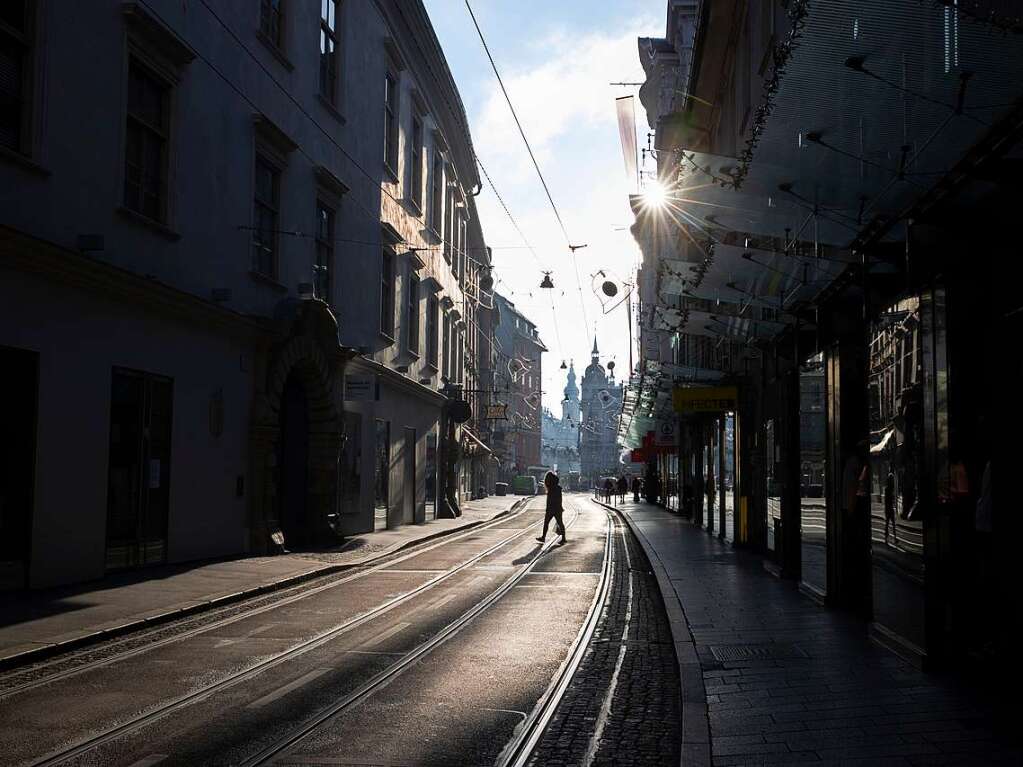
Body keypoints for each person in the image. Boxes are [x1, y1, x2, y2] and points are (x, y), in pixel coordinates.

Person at [537, 471, 567, 545]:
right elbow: (559, 500)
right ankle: (563, 538)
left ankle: (543, 537)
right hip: (557, 509)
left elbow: (550, 501)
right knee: (560, 523)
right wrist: (560, 508)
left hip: (551, 509)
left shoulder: (551, 489)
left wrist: (548, 509)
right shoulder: (558, 488)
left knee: (546, 523)